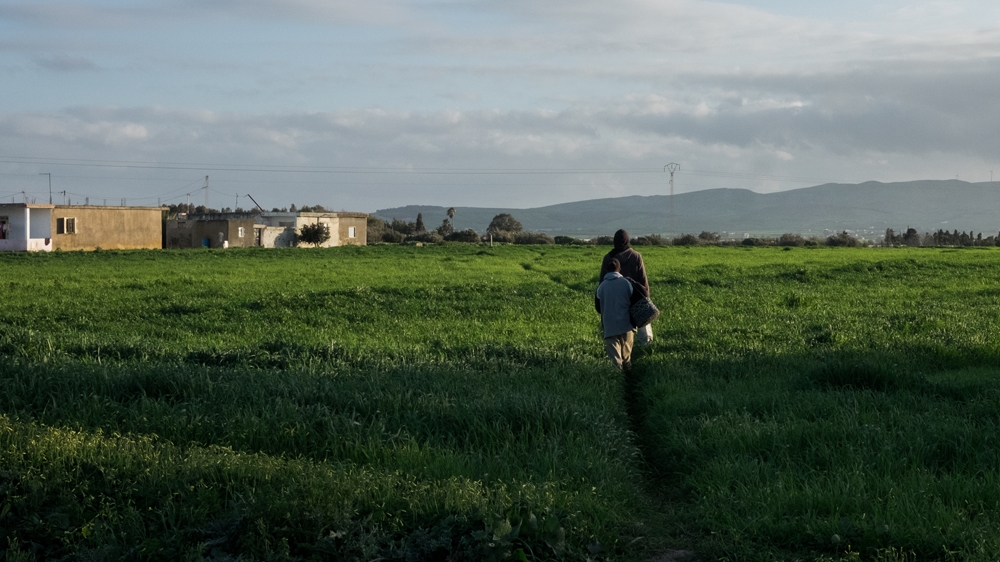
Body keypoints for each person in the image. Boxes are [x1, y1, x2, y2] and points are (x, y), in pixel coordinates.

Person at [599, 229, 652, 344]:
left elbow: (602, 283)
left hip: (614, 300)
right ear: (628, 241)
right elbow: (643, 281)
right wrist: (646, 296)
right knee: (637, 333)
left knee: (615, 334)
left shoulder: (608, 258)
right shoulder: (636, 256)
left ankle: (618, 356)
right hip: (634, 299)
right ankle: (643, 349)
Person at [595, 258, 634, 370]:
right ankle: (629, 378)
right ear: (619, 269)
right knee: (626, 357)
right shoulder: (626, 283)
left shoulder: (601, 286)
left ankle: (617, 379)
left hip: (609, 326)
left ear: (606, 270)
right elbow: (633, 301)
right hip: (626, 325)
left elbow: (598, 308)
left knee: (615, 359)